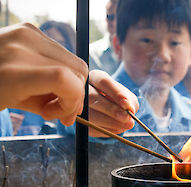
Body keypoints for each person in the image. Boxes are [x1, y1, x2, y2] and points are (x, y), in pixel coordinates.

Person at [0, 23, 139, 137]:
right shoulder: (10, 95)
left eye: (58, 44)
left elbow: (69, 126)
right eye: (42, 42)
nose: (45, 55)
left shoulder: (62, 98)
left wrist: (99, 117)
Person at [110, 0, 191, 133]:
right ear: (118, 46)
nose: (162, 55)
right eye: (147, 40)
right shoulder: (100, 106)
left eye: (175, 42)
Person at [9, 21, 77, 135]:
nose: (50, 52)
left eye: (59, 44)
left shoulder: (79, 99)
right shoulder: (15, 96)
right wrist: (7, 130)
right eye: (44, 44)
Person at [89, 0, 121, 75]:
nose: (113, 22)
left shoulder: (140, 51)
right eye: (110, 17)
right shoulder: (91, 54)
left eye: (119, 17)